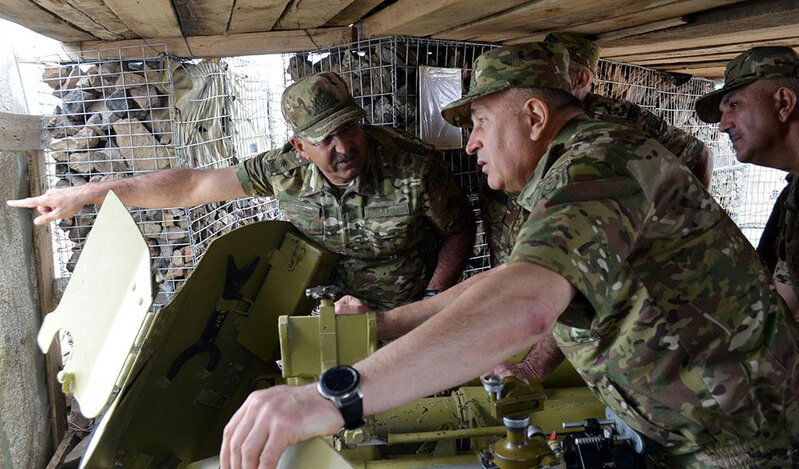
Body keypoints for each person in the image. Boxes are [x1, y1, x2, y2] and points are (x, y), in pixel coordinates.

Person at [219, 43, 799, 469]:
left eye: (480, 122)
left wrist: (331, 400)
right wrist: (386, 325)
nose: (470, 142)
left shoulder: (601, 163)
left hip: (747, 438)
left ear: (535, 118)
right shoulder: (566, 172)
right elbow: (505, 280)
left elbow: (524, 307)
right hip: (694, 427)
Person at [7, 71, 475, 311]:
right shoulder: (281, 170)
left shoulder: (413, 166)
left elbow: (458, 230)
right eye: (326, 138)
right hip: (329, 299)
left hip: (412, 298)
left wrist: (432, 301)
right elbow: (191, 186)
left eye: (351, 128)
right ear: (299, 146)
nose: (345, 147)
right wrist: (89, 192)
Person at [485, 32, 716, 381]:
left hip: (581, 265)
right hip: (527, 260)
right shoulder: (525, 126)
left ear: (580, 79)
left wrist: (677, 219)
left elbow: (699, 153)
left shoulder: (609, 129)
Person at [695, 45, 799, 320]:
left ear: (783, 103)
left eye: (734, 105)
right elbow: (784, 305)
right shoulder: (792, 197)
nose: (723, 124)